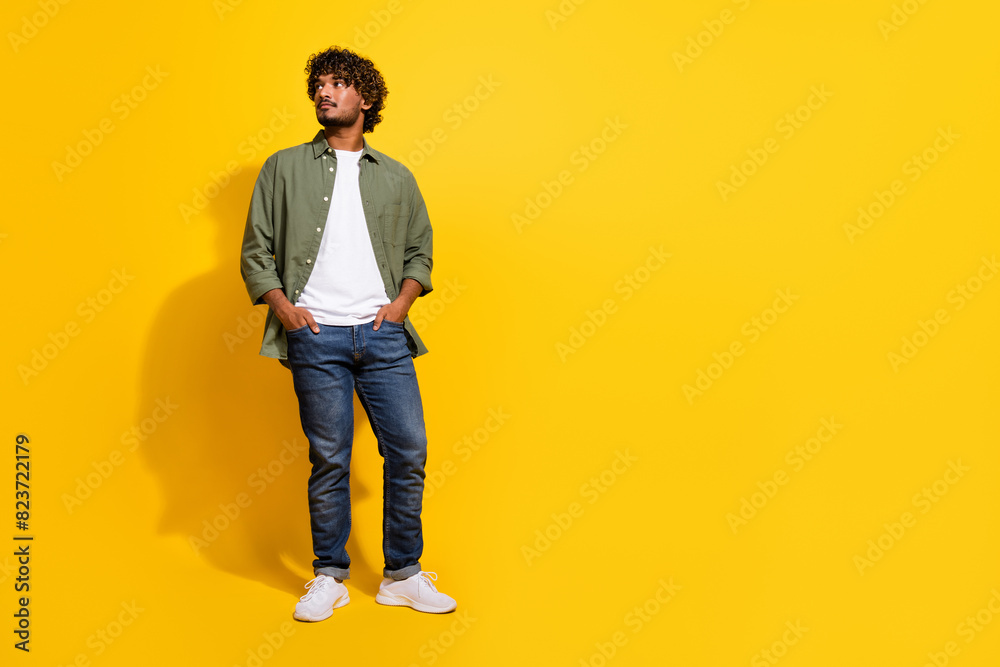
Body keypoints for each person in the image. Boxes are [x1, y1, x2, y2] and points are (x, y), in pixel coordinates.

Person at [239, 46, 456, 622]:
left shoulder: (398, 177)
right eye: (318, 84)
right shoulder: (282, 168)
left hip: (383, 335)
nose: (324, 92)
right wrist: (285, 309)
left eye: (338, 83)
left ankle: (402, 576)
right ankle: (329, 576)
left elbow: (420, 251)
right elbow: (256, 249)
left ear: (366, 97)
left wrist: (402, 305)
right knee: (330, 457)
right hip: (315, 333)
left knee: (408, 450)